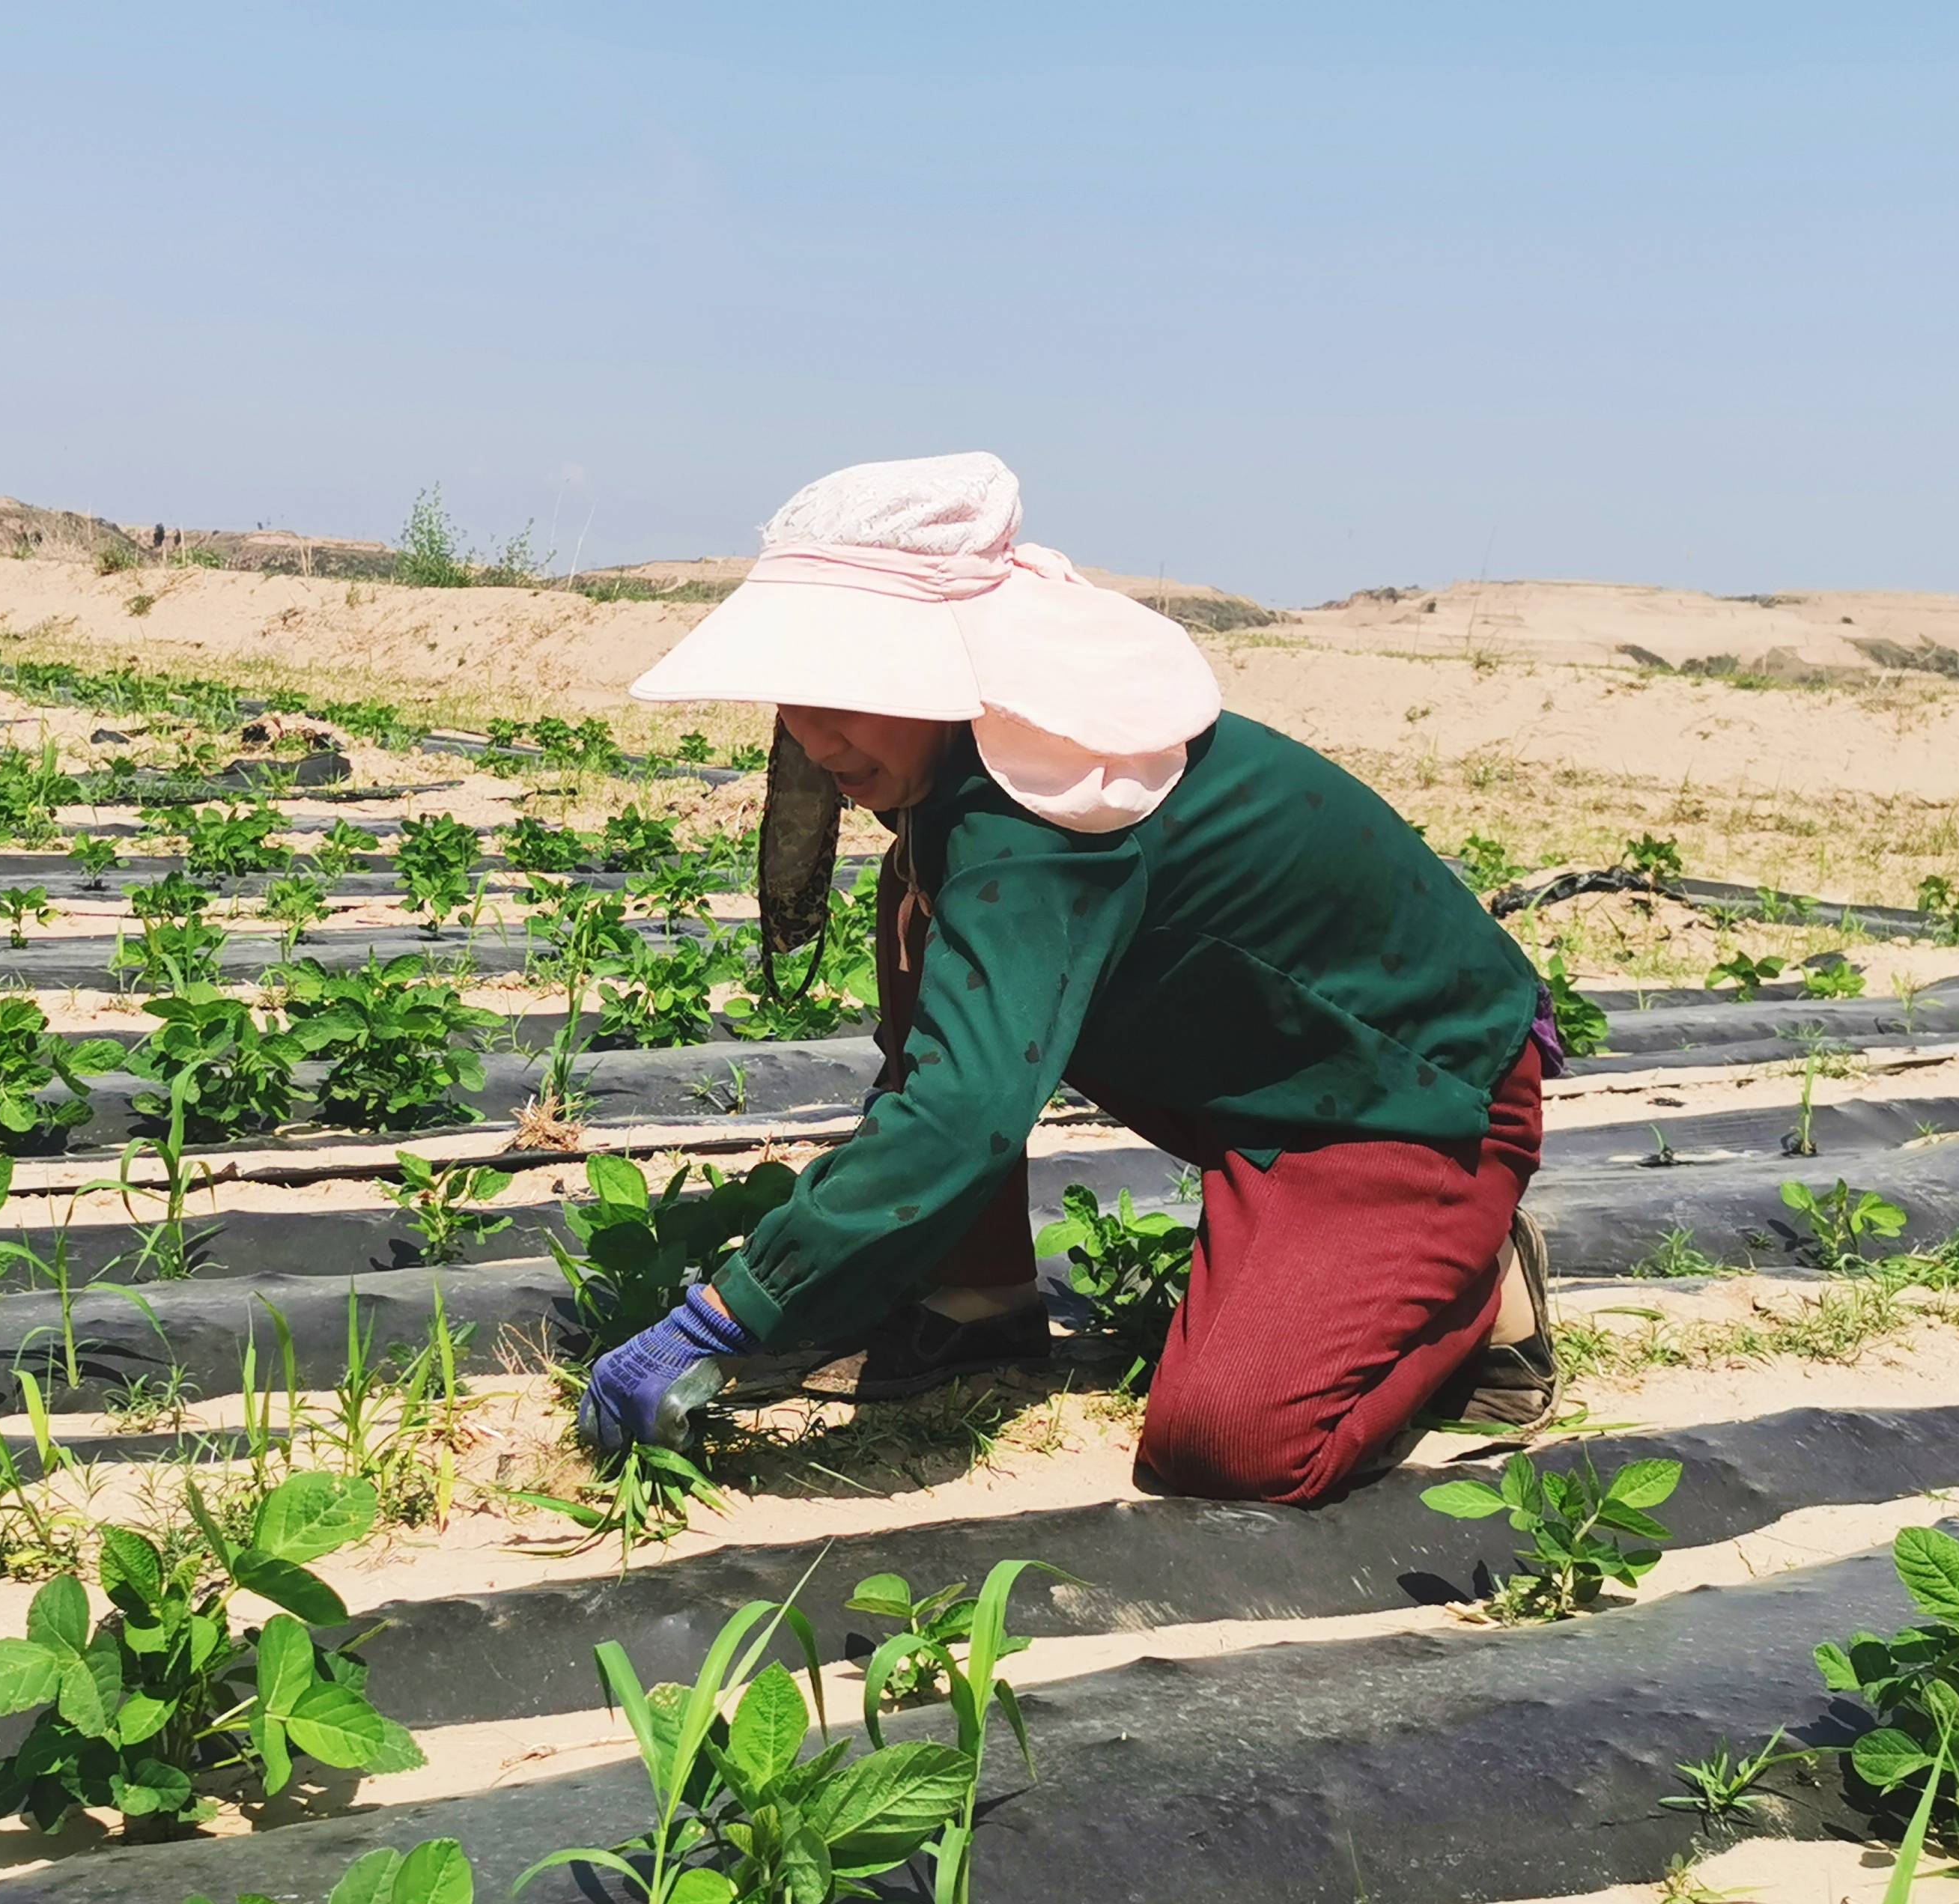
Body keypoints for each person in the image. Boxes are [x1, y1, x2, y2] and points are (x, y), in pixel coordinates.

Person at [573, 452, 1563, 1505]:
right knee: (926, 907)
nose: (816, 738)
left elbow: (959, 1117)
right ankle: (977, 1296)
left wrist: (722, 1317)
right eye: (793, 698)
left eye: (843, 692)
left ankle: (1477, 1273)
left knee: (1230, 1447)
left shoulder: (1043, 810)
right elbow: (954, 1069)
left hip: (1412, 1090)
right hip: (1258, 1053)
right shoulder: (977, 762)